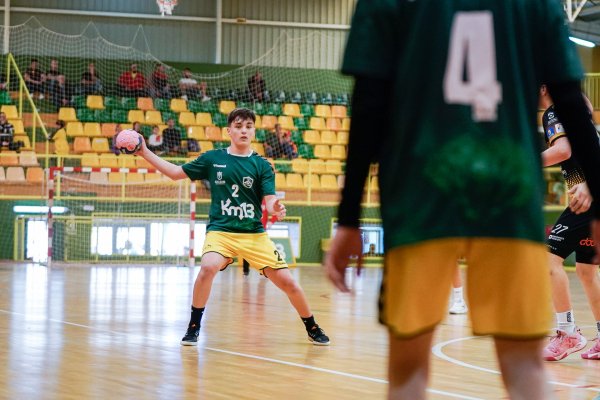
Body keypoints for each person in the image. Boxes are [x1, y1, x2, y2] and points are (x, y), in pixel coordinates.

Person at [324, 1, 600, 399]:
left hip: (420, 195)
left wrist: (349, 216)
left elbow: (369, 105)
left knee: (408, 372)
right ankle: (570, 332)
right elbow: (573, 104)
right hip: (509, 192)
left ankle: (570, 331)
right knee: (524, 368)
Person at [134, 107, 330, 346]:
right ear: (229, 131)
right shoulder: (212, 158)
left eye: (248, 126)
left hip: (253, 235)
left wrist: (276, 206)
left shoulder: (262, 165)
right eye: (238, 126)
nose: (243, 130)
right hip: (221, 232)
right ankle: (194, 326)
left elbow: (269, 201)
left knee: (289, 283)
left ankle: (311, 326)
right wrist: (144, 151)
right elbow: (175, 173)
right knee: (207, 268)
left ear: (254, 131)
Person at [539, 84, 600, 361]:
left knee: (549, 260)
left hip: (588, 198)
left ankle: (568, 333)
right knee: (586, 270)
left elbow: (562, 151)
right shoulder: (577, 108)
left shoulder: (554, 112)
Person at [242, 199, 279, 276]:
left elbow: (275, 212)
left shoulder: (266, 201)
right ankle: (246, 270)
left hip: (261, 230)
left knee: (262, 251)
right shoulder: (249, 199)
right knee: (247, 250)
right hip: (249, 229)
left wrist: (271, 221)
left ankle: (262, 269)